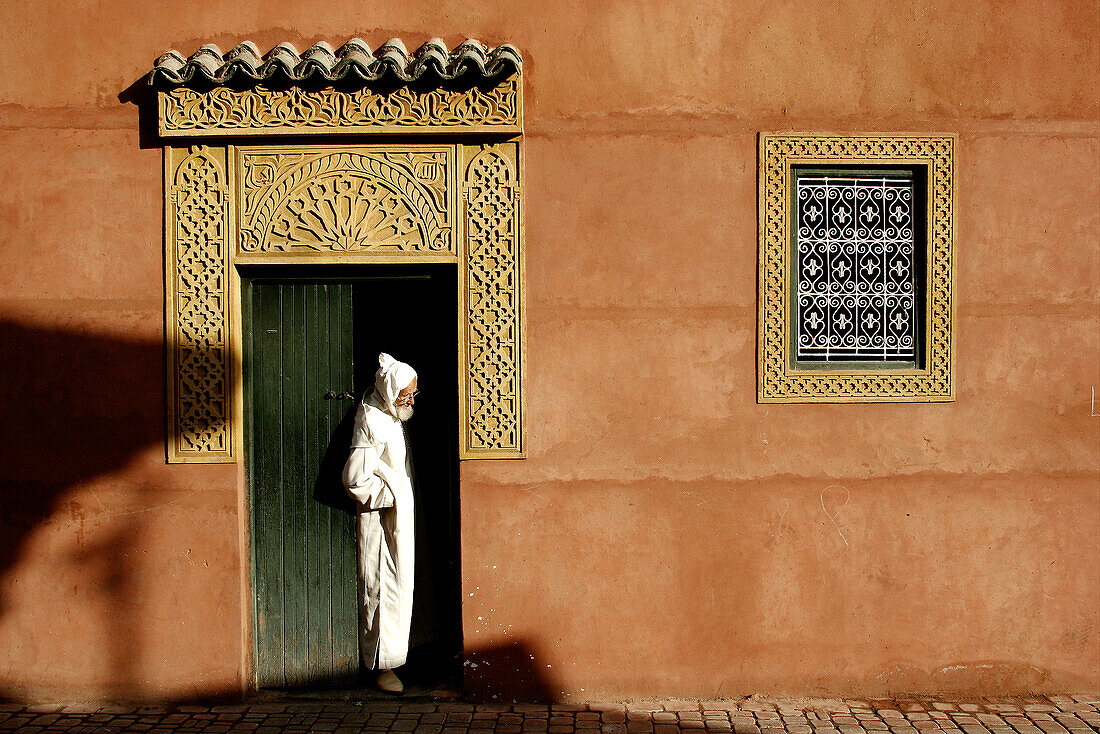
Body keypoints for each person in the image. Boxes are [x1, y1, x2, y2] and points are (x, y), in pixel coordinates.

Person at [341, 352, 419, 694]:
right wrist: (391, 500)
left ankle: (396, 658)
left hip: (400, 518)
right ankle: (381, 667)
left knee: (399, 586)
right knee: (383, 588)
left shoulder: (389, 414)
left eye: (414, 394)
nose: (411, 401)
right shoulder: (372, 419)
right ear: (390, 391)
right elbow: (355, 478)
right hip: (384, 520)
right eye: (406, 395)